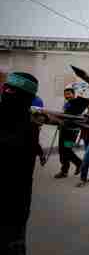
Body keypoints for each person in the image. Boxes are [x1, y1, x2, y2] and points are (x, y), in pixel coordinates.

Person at [1, 72, 45, 254]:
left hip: (16, 202)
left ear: (27, 98)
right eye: (6, 89)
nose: (7, 93)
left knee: (13, 242)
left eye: (13, 91)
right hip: (17, 202)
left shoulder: (29, 124)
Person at [54, 88, 88, 179]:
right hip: (64, 130)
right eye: (65, 94)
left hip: (72, 132)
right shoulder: (67, 104)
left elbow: (85, 102)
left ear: (73, 94)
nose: (67, 96)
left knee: (67, 150)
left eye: (69, 94)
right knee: (62, 150)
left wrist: (79, 96)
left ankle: (79, 163)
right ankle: (64, 170)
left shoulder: (78, 103)